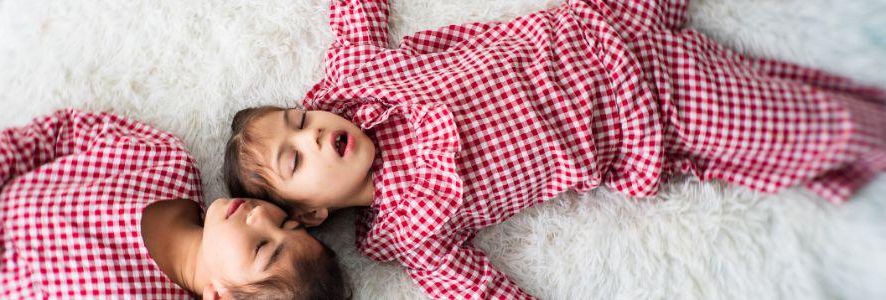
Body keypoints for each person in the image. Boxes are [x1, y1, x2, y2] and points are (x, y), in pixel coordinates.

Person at [222, 0, 886, 298]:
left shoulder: (356, 81)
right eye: (296, 159)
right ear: (309, 214)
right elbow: (480, 291)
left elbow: (356, 12)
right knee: (822, 130)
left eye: (299, 118)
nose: (312, 132)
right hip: (656, 111)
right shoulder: (411, 231)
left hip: (602, 22)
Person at [0, 109, 348, 299]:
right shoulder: (162, 159)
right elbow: (53, 133)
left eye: (261, 247)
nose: (259, 214)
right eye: (285, 223)